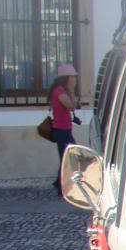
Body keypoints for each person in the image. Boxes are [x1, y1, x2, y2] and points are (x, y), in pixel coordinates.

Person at [47, 63, 81, 193]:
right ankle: (61, 187)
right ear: (67, 78)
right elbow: (70, 106)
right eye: (73, 77)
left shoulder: (62, 90)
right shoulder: (59, 91)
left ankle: (58, 183)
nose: (75, 80)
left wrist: (72, 94)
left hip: (65, 129)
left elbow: (73, 105)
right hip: (61, 130)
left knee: (66, 157)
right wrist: (72, 91)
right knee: (68, 158)